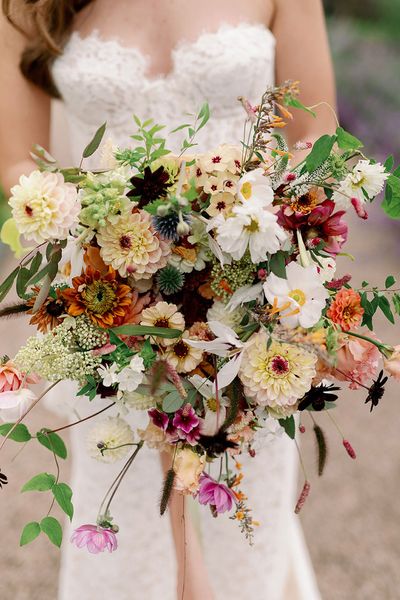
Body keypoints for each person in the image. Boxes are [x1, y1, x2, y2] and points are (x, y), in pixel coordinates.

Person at [0, 1, 336, 598]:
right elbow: (17, 160)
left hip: (250, 305)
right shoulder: (27, 7)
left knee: (245, 522)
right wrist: (108, 231)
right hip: (111, 309)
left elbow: (316, 130)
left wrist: (252, 212)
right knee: (122, 523)